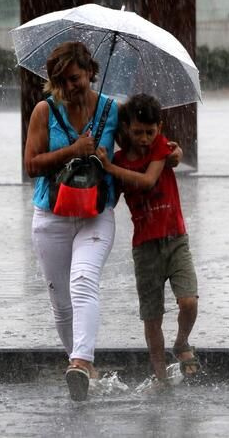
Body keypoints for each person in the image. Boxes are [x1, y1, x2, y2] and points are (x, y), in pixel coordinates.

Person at [24, 42, 182, 401]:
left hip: (96, 215)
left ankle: (81, 361)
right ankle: (81, 368)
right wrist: (72, 151)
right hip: (51, 216)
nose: (69, 86)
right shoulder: (43, 111)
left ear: (90, 73)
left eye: (75, 78)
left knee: (83, 281)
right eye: (60, 80)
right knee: (61, 303)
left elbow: (144, 145)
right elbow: (31, 165)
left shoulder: (112, 111)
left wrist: (172, 153)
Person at [96, 93, 200, 390]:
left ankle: (181, 342)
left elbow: (148, 181)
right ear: (126, 128)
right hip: (144, 248)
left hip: (175, 239)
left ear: (159, 128)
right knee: (152, 317)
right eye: (138, 132)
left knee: (188, 300)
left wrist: (109, 168)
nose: (144, 138)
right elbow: (110, 199)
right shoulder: (116, 159)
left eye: (150, 132)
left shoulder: (160, 148)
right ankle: (161, 378)